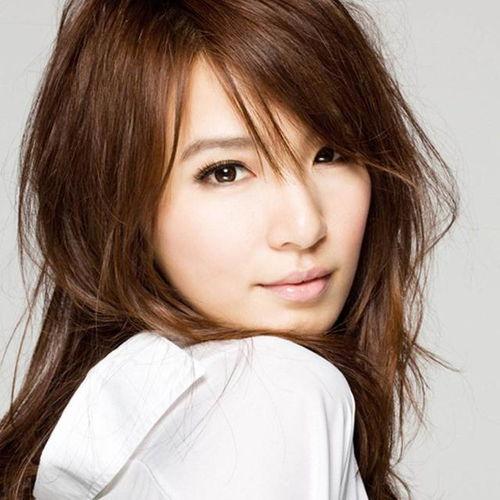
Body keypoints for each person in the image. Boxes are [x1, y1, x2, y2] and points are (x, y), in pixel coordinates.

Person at [0, 0, 460, 498]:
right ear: (120, 205)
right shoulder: (277, 390)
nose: (305, 226)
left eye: (329, 154)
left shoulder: (126, 408)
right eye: (226, 172)